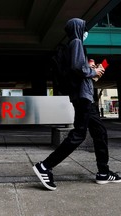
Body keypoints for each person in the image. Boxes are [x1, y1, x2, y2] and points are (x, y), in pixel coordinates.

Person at [32, 18, 121, 191]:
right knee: (79, 134)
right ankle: (45, 166)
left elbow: (79, 68)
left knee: (100, 132)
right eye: (83, 27)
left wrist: (91, 70)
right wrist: (93, 70)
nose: (85, 31)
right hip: (83, 97)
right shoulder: (77, 41)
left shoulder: (73, 44)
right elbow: (77, 68)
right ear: (78, 28)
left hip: (85, 96)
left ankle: (103, 172)